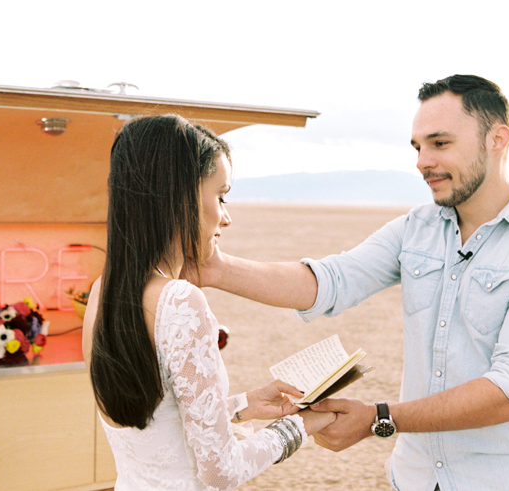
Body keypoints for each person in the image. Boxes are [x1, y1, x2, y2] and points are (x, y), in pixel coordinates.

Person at [189, 75, 509, 491]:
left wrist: (379, 418)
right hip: (412, 480)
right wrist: (215, 270)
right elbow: (330, 281)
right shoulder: (416, 228)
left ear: (498, 139)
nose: (422, 162)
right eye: (418, 147)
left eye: (440, 143)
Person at [81, 115, 335, 491]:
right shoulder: (179, 301)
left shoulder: (103, 290)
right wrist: (301, 425)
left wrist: (242, 405)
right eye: (220, 195)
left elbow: (156, 427)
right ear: (180, 197)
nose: (226, 217)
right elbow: (221, 472)